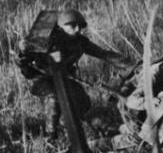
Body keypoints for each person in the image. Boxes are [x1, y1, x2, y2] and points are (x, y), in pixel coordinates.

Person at [18, 10, 131, 139]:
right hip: (42, 79)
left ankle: (69, 126)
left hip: (64, 78)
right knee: (54, 97)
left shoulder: (80, 42)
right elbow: (25, 63)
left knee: (83, 102)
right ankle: (51, 135)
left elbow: (103, 54)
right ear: (61, 26)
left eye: (80, 26)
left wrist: (129, 64)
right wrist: (23, 53)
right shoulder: (46, 40)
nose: (77, 29)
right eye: (72, 25)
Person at [95, 40, 163, 150]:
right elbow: (131, 101)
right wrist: (149, 102)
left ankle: (123, 129)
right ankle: (96, 145)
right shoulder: (152, 74)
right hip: (134, 107)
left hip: (156, 108)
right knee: (137, 141)